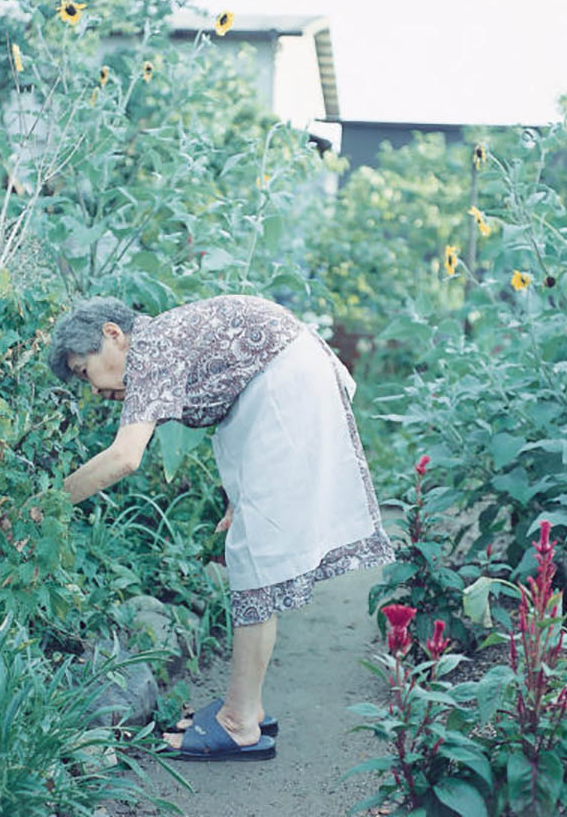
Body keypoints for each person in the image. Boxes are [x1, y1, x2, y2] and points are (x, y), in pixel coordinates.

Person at [48, 294, 394, 761]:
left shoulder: (147, 349)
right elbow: (231, 389)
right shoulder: (159, 340)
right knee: (250, 549)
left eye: (84, 370)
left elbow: (126, 456)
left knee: (256, 557)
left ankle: (240, 721)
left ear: (113, 334)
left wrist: (47, 503)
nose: (92, 389)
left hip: (286, 384)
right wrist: (239, 494)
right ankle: (245, 706)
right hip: (282, 381)